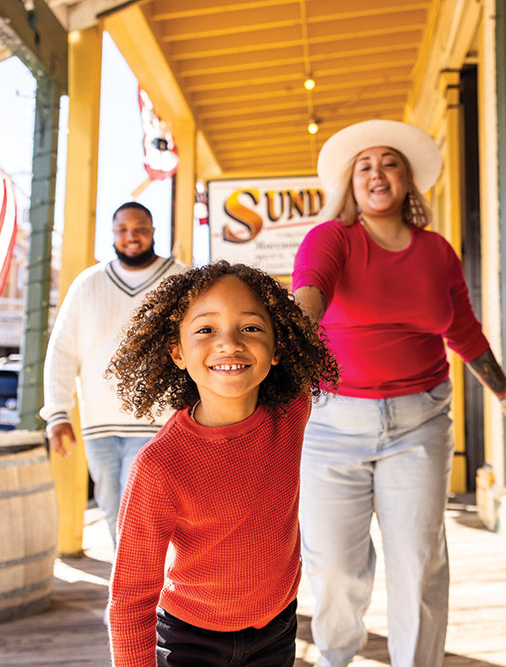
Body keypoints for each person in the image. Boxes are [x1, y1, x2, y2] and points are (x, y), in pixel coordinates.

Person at [291, 119, 506, 667]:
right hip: (333, 426)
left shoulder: (437, 251)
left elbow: (464, 331)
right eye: (365, 166)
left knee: (419, 562)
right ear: (351, 185)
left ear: (407, 182)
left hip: (419, 424)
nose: (377, 173)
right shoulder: (331, 238)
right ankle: (335, 658)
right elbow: (311, 288)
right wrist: (294, 333)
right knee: (333, 566)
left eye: (389, 163)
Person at [104, 261, 338, 666]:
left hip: (277, 631)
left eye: (250, 328)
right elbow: (130, 598)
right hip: (189, 643)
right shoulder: (159, 466)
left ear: (279, 347)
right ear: (177, 352)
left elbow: (307, 309)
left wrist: (338, 217)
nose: (229, 343)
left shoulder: (289, 411)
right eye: (206, 329)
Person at [40, 202, 185, 548]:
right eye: (122, 229)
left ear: (153, 231)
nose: (131, 236)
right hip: (98, 425)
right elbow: (62, 350)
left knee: (144, 515)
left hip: (156, 422)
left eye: (139, 228)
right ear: (113, 234)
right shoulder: (88, 284)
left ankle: (142, 595)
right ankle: (131, 594)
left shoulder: (181, 279)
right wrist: (57, 414)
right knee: (113, 512)